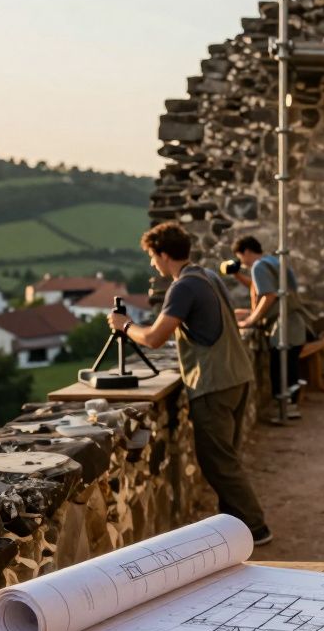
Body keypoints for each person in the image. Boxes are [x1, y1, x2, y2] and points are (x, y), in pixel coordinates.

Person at [109, 222, 272, 545]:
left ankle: (256, 528)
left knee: (218, 463)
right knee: (228, 458)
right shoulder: (207, 276)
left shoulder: (183, 286)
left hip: (213, 382)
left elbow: (155, 338)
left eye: (152, 257)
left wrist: (124, 325)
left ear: (164, 254)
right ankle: (235, 525)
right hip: (238, 374)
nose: (152, 264)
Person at [231, 236, 308, 419]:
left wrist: (251, 320)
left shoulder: (259, 266)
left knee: (281, 369)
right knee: (290, 367)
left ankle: (285, 408)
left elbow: (268, 295)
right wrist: (237, 276)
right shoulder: (273, 262)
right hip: (294, 323)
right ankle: (291, 407)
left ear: (247, 251)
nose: (242, 263)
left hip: (283, 325)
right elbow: (259, 288)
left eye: (241, 258)